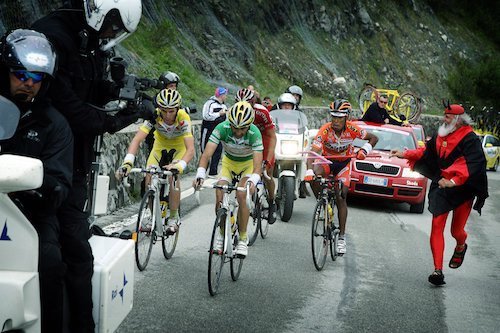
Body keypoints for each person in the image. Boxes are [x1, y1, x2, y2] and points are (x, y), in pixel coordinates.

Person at [31, 1, 147, 331]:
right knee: (54, 257)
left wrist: (121, 93)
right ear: (101, 11)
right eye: (113, 25)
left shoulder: (89, 41)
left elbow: (90, 88)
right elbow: (65, 105)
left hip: (73, 165)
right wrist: (113, 120)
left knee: (78, 255)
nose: (113, 34)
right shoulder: (52, 37)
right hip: (43, 165)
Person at [0, 28, 73, 333]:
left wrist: (40, 187)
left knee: (50, 261)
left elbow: (59, 182)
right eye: (20, 73)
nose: (28, 82)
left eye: (37, 77)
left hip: (30, 215)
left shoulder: (54, 124)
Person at [391, 103, 488, 286]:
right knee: (437, 225)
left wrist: (453, 181)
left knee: (456, 231)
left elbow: (472, 164)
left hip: (462, 188)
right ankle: (437, 270)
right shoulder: (440, 134)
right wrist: (404, 153)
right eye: (445, 115)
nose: (445, 119)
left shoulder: (470, 139)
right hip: (442, 186)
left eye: (448, 116)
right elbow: (426, 152)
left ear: (458, 120)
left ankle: (461, 245)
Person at [304, 99, 378, 255]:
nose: (336, 120)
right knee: (313, 177)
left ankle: (342, 238)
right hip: (327, 161)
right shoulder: (325, 130)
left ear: (346, 117)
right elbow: (313, 152)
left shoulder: (353, 129)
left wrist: (364, 150)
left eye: (340, 117)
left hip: (344, 163)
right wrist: (309, 170)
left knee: (342, 196)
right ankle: (324, 203)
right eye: (333, 117)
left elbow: (374, 138)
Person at [117, 89, 194, 233]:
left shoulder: (183, 117)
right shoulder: (155, 115)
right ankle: (153, 217)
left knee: (173, 178)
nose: (167, 115)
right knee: (149, 178)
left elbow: (190, 149)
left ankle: (173, 217)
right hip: (159, 146)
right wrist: (128, 162)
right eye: (164, 111)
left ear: (177, 109)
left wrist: (180, 165)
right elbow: (137, 139)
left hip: (179, 148)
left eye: (171, 111)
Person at [194, 101, 263, 257]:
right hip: (229, 163)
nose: (238, 132)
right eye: (235, 128)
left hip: (247, 165)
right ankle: (222, 233)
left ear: (250, 125)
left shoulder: (255, 133)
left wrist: (253, 180)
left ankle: (243, 239)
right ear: (229, 123)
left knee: (241, 195)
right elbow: (206, 154)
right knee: (220, 191)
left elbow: (258, 165)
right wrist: (200, 173)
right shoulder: (222, 128)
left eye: (243, 129)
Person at [235, 88, 277, 224]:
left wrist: (268, 160)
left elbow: (272, 137)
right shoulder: (233, 112)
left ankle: (271, 203)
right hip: (247, 142)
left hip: (264, 140)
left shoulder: (262, 112)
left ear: (253, 104)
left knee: (267, 173)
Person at [200, 87, 228, 177]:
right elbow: (206, 116)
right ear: (221, 95)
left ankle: (213, 172)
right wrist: (219, 114)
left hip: (219, 131)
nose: (226, 96)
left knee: (218, 150)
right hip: (208, 130)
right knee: (205, 150)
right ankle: (202, 171)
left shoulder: (224, 106)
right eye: (225, 94)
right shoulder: (210, 103)